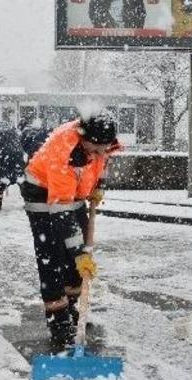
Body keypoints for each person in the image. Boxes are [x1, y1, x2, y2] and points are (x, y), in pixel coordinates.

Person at [20, 113, 120, 348]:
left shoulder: (100, 144)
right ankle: (59, 322)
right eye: (94, 150)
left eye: (103, 150)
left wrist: (97, 186)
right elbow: (62, 212)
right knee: (53, 255)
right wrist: (79, 253)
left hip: (73, 194)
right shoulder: (63, 151)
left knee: (76, 257)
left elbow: (99, 163)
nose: (99, 155)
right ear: (83, 139)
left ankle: (75, 310)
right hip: (42, 195)